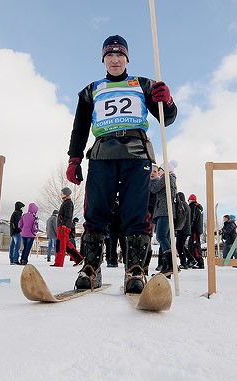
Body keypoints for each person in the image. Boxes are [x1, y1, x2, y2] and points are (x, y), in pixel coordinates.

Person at [65, 34, 177, 292]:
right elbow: (79, 128)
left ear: (127, 58)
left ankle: (136, 270)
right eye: (109, 55)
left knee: (136, 213)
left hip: (137, 155)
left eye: (119, 55)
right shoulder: (91, 90)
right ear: (103, 60)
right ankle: (91, 267)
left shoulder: (143, 84)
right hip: (102, 153)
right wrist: (74, 158)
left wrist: (167, 101)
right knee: (96, 214)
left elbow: (166, 119)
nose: (115, 60)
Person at [150, 160, 178, 276]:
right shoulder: (171, 179)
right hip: (167, 211)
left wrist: (152, 180)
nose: (159, 172)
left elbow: (154, 189)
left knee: (161, 236)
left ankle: (170, 264)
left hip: (164, 211)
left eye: (160, 170)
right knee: (166, 238)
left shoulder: (167, 178)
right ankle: (169, 268)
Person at [51, 188, 83, 267]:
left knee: (61, 245)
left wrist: (64, 225)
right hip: (62, 226)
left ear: (65, 194)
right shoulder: (65, 202)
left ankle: (59, 263)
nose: (61, 194)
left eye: (62, 193)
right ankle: (78, 258)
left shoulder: (68, 203)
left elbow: (68, 215)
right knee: (66, 244)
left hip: (63, 227)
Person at [187, 194, 205, 269]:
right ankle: (192, 261)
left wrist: (189, 227)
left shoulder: (193, 207)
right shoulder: (199, 208)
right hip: (197, 229)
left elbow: (192, 218)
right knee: (191, 245)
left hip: (194, 229)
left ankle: (200, 262)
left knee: (195, 246)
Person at [175, 191, 192, 269]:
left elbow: (180, 217)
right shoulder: (187, 206)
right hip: (186, 229)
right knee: (181, 245)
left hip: (182, 229)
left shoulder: (182, 205)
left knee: (179, 246)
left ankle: (183, 263)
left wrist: (176, 227)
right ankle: (191, 259)